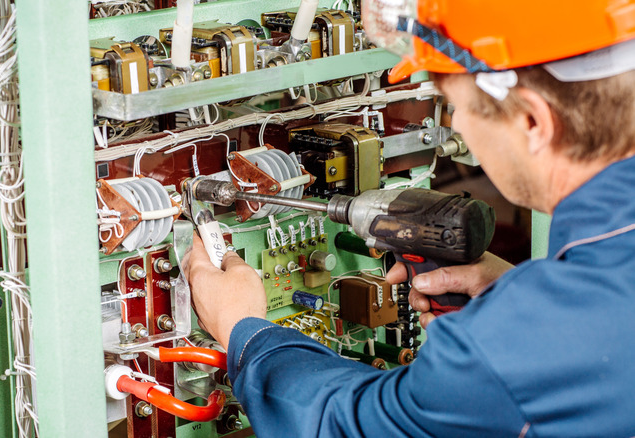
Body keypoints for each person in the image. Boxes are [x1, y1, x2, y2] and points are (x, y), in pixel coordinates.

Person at [183, 0, 635, 436]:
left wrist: (245, 331)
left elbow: (347, 425)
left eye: (460, 108)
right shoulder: (583, 297)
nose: (457, 129)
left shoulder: (523, 347)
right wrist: (521, 295)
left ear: (534, 123)